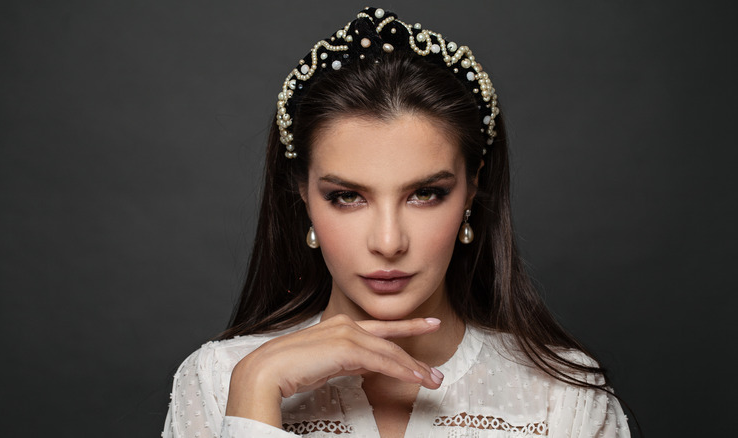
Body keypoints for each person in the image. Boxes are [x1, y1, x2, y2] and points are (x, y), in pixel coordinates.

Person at [163, 7, 630, 438]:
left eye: (425, 194)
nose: (388, 243)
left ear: (472, 190)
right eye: (347, 197)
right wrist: (255, 390)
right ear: (302, 195)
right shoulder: (220, 380)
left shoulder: (563, 399)